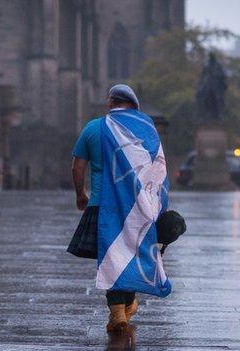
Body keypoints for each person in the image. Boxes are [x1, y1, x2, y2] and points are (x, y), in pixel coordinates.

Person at [70, 84, 171, 333]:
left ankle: (119, 313)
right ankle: (126, 307)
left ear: (110, 102)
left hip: (101, 205)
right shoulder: (146, 130)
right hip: (138, 207)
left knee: (112, 257)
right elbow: (158, 170)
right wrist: (158, 204)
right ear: (134, 107)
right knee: (132, 254)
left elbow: (77, 167)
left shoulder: (94, 127)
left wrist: (80, 194)